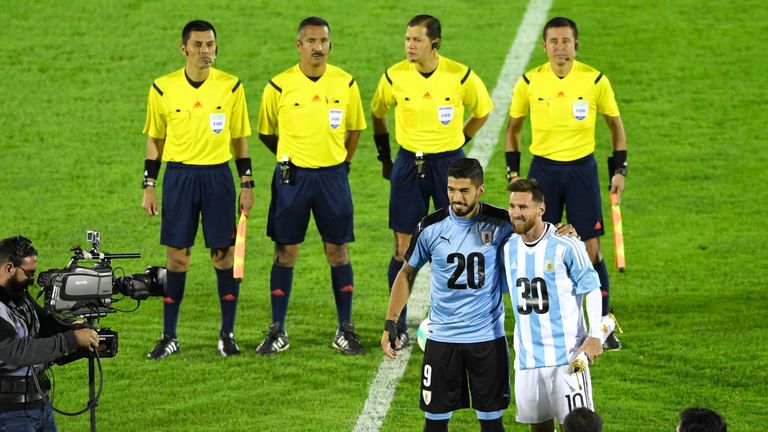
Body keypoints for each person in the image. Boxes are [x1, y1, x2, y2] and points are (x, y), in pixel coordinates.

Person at [505, 16, 628, 350]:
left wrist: (620, 170)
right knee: (540, 241)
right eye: (554, 42)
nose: (560, 48)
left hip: (582, 171)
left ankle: (602, 326)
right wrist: (513, 174)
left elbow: (615, 126)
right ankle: (551, 319)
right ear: (544, 46)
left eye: (566, 41)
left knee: (591, 251)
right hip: (543, 170)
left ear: (576, 44)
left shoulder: (594, 81)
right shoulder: (530, 82)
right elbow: (513, 130)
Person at [371, 14, 493, 344]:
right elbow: (377, 112)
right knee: (402, 247)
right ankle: (397, 321)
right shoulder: (394, 76)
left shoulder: (460, 75)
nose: (409, 46)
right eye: (407, 39)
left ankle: (457, 317)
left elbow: (482, 110)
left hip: (448, 165)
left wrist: (458, 143)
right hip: (408, 163)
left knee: (458, 241)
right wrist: (385, 157)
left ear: (434, 44)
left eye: (416, 40)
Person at [141, 20, 253, 359]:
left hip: (218, 177)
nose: (206, 51)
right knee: (177, 258)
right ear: (184, 48)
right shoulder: (162, 89)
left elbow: (240, 140)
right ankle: (169, 336)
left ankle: (227, 335)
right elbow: (155, 140)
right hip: (178, 178)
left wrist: (247, 184)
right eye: (199, 45)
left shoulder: (232, 87)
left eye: (210, 45)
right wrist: (149, 185)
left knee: (224, 257)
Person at [255, 17, 367, 356]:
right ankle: (277, 330)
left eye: (324, 41)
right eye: (312, 41)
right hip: (292, 179)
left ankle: (345, 328)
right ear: (299, 45)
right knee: (285, 252)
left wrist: (341, 164)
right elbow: (265, 132)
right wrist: (292, 157)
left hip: (333, 177)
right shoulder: (278, 87)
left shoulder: (346, 84)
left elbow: (355, 129)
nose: (318, 47)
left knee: (338, 251)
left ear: (330, 45)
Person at [381, 158, 510, 432]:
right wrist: (391, 321)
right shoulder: (430, 227)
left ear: (480, 190)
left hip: (487, 339)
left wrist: (563, 229)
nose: (456, 197)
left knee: (492, 424)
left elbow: (537, 230)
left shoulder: (501, 223)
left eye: (464, 191)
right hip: (441, 340)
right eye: (451, 189)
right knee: (435, 424)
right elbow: (406, 273)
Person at [501, 179, 604, 432]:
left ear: (541, 209)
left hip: (567, 358)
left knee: (578, 428)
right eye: (512, 206)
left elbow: (591, 287)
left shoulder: (567, 244)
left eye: (523, 207)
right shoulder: (508, 247)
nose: (516, 213)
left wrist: (594, 336)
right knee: (538, 428)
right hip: (526, 359)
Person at [0, 236, 99, 431]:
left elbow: (44, 324)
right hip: (10, 414)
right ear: (9, 268)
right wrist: (71, 339)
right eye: (28, 274)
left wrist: (73, 327)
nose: (32, 281)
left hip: (40, 405)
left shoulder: (17, 295)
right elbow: (16, 350)